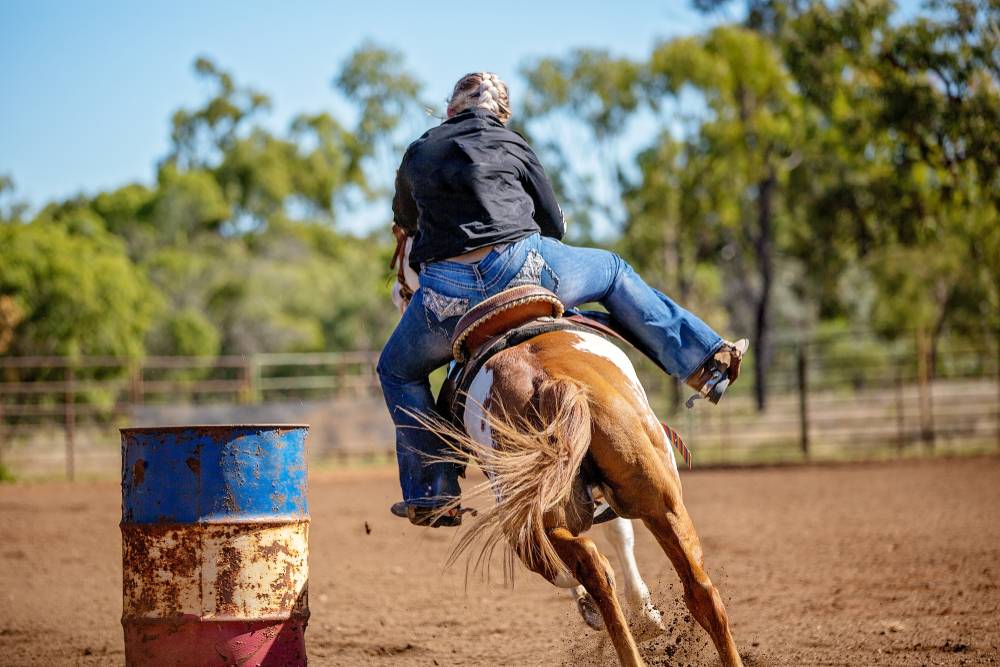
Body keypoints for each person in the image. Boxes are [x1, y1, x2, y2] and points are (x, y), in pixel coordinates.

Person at [378, 72, 747, 527]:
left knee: (396, 370)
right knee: (613, 270)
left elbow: (407, 222)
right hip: (524, 265)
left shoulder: (418, 151)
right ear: (501, 113)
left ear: (450, 110)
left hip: (447, 297)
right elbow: (552, 223)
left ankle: (432, 491)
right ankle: (703, 362)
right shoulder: (513, 142)